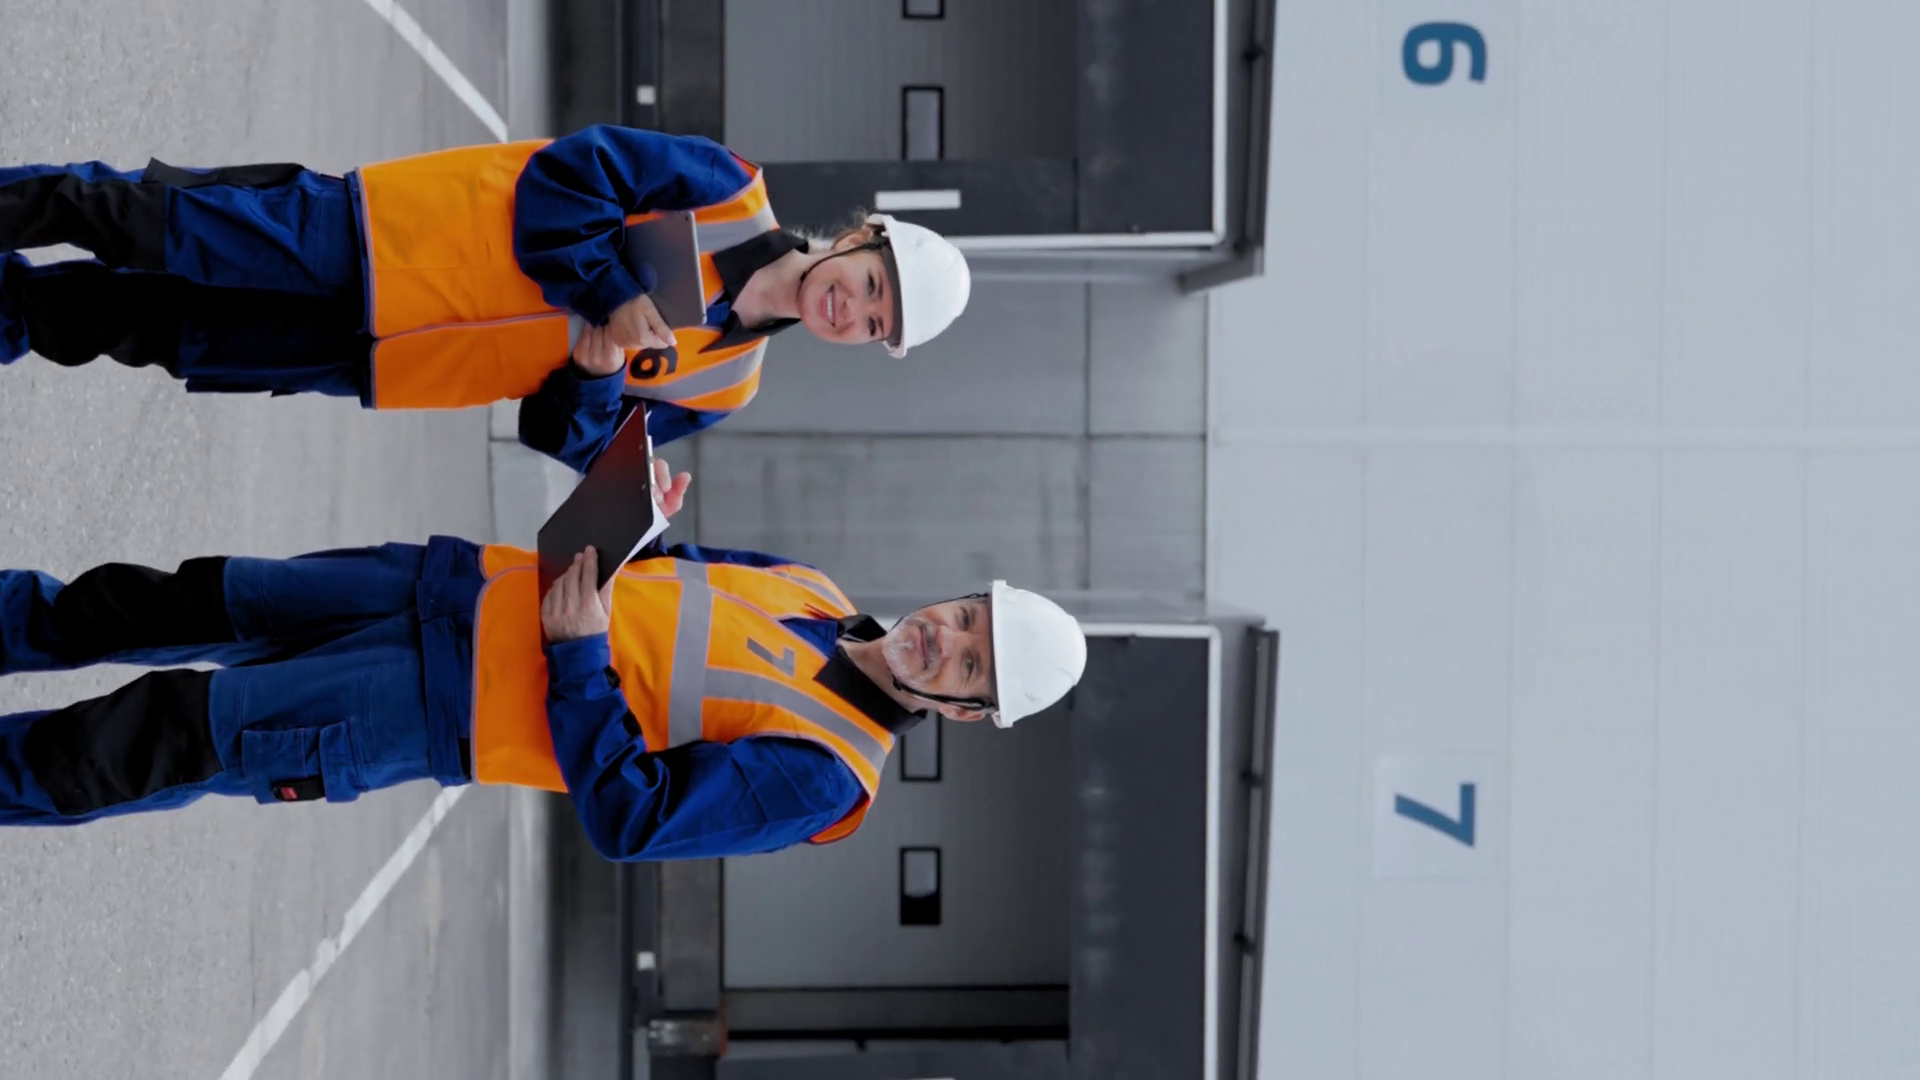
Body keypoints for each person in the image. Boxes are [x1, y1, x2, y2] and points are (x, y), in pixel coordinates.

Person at [0, 474, 1087, 860]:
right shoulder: (812, 588)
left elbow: (635, 821)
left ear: (968, 711)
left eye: (969, 664)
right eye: (965, 616)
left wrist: (576, 659)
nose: (943, 637)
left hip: (432, 706)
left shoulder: (828, 775)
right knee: (167, 598)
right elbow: (653, 582)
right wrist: (634, 512)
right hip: (439, 589)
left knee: (157, 737)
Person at [0, 126, 973, 461]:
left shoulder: (727, 385)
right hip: (383, 239)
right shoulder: (725, 186)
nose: (852, 310)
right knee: (149, 221)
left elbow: (566, 440)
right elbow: (566, 175)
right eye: (870, 284)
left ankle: (15, 314)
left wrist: (595, 383)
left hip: (392, 359)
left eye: (875, 324)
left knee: (169, 332)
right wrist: (607, 288)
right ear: (859, 238)